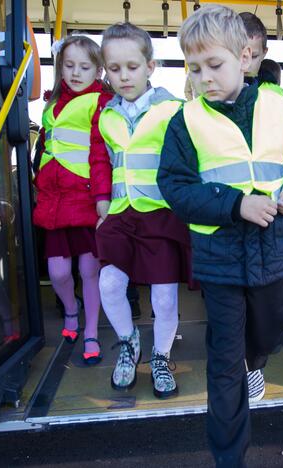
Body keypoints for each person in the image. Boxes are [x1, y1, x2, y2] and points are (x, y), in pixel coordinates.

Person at [158, 6, 283, 466]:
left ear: (245, 56)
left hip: (274, 251)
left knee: (272, 325)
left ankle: (256, 362)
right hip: (221, 257)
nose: (204, 77)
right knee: (224, 362)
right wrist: (234, 204)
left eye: (215, 65)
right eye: (194, 68)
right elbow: (176, 187)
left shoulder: (278, 106)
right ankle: (229, 458)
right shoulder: (184, 121)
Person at [96, 22, 191, 398]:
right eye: (114, 69)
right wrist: (102, 202)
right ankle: (128, 340)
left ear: (150, 67)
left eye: (132, 67)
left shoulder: (173, 110)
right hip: (120, 215)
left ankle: (162, 356)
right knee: (109, 284)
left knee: (164, 296)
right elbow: (103, 162)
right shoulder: (106, 116)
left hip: (161, 215)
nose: (123, 76)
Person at [32, 35, 112, 365]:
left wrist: (102, 198)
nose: (76, 73)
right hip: (55, 199)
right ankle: (70, 308)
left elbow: (99, 154)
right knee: (58, 272)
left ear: (98, 70)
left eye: (84, 66)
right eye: (69, 65)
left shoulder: (101, 103)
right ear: (60, 68)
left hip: (87, 197)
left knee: (89, 269)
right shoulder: (51, 105)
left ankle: (89, 330)